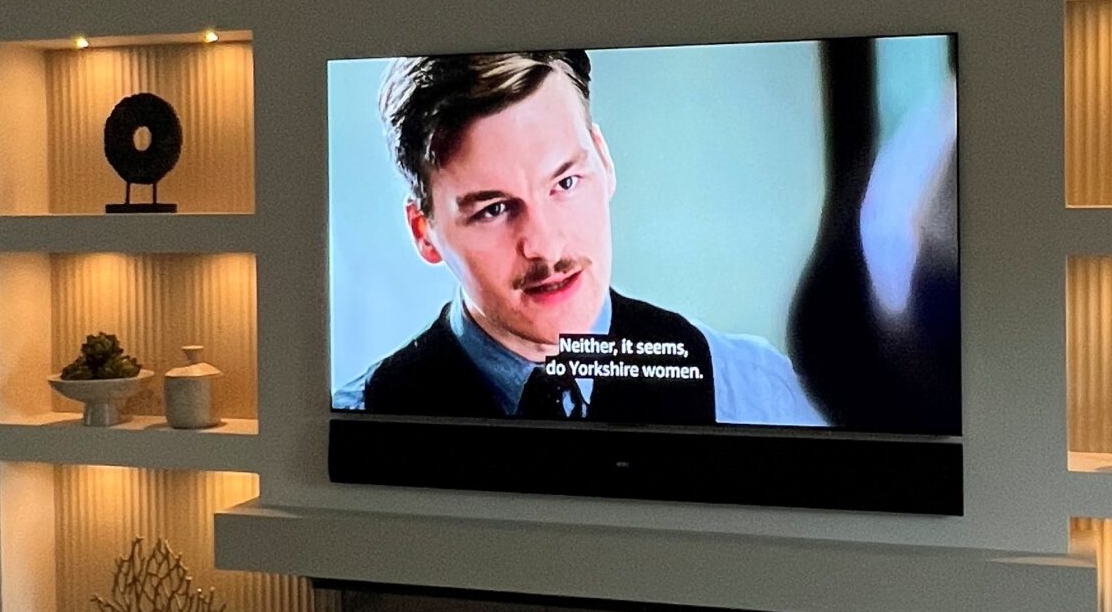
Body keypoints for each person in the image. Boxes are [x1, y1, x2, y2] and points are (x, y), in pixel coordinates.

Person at [336, 48, 825, 426]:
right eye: (494, 209)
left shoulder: (756, 392)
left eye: (566, 183)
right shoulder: (358, 422)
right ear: (424, 233)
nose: (546, 247)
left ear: (604, 163)